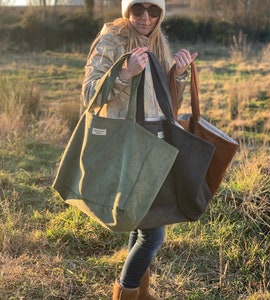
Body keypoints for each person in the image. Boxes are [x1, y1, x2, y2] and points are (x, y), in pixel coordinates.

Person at [81, 1, 197, 299]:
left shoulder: (159, 42)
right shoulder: (111, 39)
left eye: (153, 10)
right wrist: (123, 74)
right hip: (127, 145)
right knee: (153, 232)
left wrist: (180, 74)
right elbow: (88, 94)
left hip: (155, 144)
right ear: (126, 10)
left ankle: (140, 294)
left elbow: (170, 104)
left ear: (161, 14)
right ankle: (128, 292)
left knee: (140, 221)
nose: (145, 17)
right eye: (138, 9)